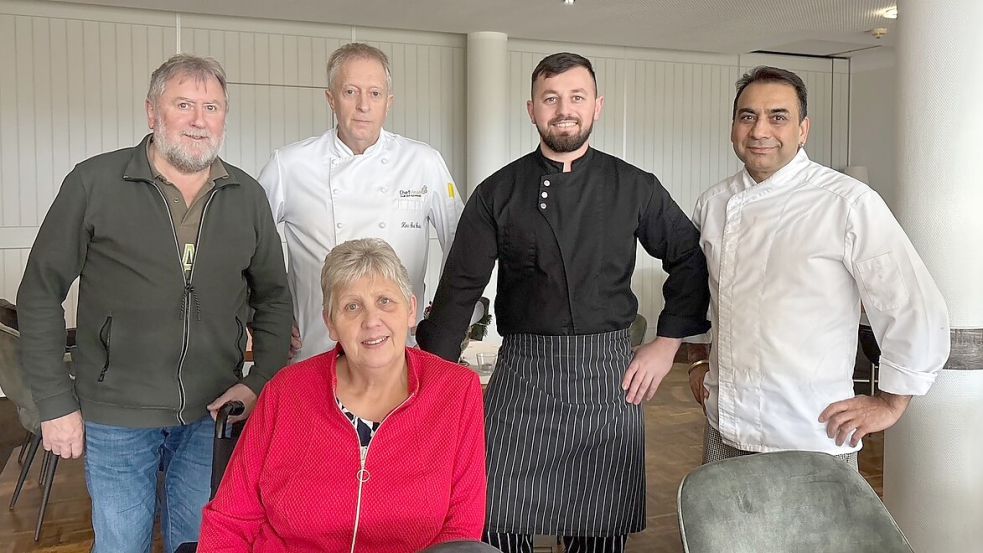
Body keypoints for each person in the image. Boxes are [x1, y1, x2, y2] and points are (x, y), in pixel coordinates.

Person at [417, 52, 711, 552]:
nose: (564, 109)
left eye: (576, 97)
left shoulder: (633, 185)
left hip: (608, 378)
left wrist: (666, 344)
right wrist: (428, 378)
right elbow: (460, 287)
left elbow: (688, 256)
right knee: (498, 517)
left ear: (597, 106)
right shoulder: (498, 192)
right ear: (532, 109)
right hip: (523, 374)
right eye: (551, 99)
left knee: (597, 532)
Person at [16, 54, 293, 552]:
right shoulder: (93, 183)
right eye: (183, 104)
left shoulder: (247, 196)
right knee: (122, 545)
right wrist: (55, 403)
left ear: (224, 117)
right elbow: (39, 293)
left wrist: (258, 383)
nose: (198, 119)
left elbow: (273, 299)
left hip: (213, 414)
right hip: (116, 415)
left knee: (199, 544)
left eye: (211, 107)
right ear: (151, 112)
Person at [688, 66, 950, 466]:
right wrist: (698, 360)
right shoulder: (714, 204)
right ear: (734, 126)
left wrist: (891, 402)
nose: (760, 130)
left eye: (778, 116)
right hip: (726, 424)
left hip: (813, 431)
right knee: (722, 530)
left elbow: (911, 304)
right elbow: (701, 294)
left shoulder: (847, 203)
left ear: (803, 129)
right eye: (747, 116)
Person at [198, 238, 487, 552]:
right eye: (352, 306)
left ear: (411, 310)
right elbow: (230, 519)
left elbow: (460, 532)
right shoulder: (285, 392)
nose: (371, 321)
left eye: (386, 301)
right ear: (331, 323)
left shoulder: (456, 391)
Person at [258, 42, 464, 362]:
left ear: (389, 102)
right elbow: (249, 248)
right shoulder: (289, 164)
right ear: (331, 98)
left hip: (400, 348)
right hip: (314, 345)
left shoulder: (423, 161)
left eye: (375, 93)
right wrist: (269, 319)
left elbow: (461, 240)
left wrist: (445, 311)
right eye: (350, 92)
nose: (363, 105)